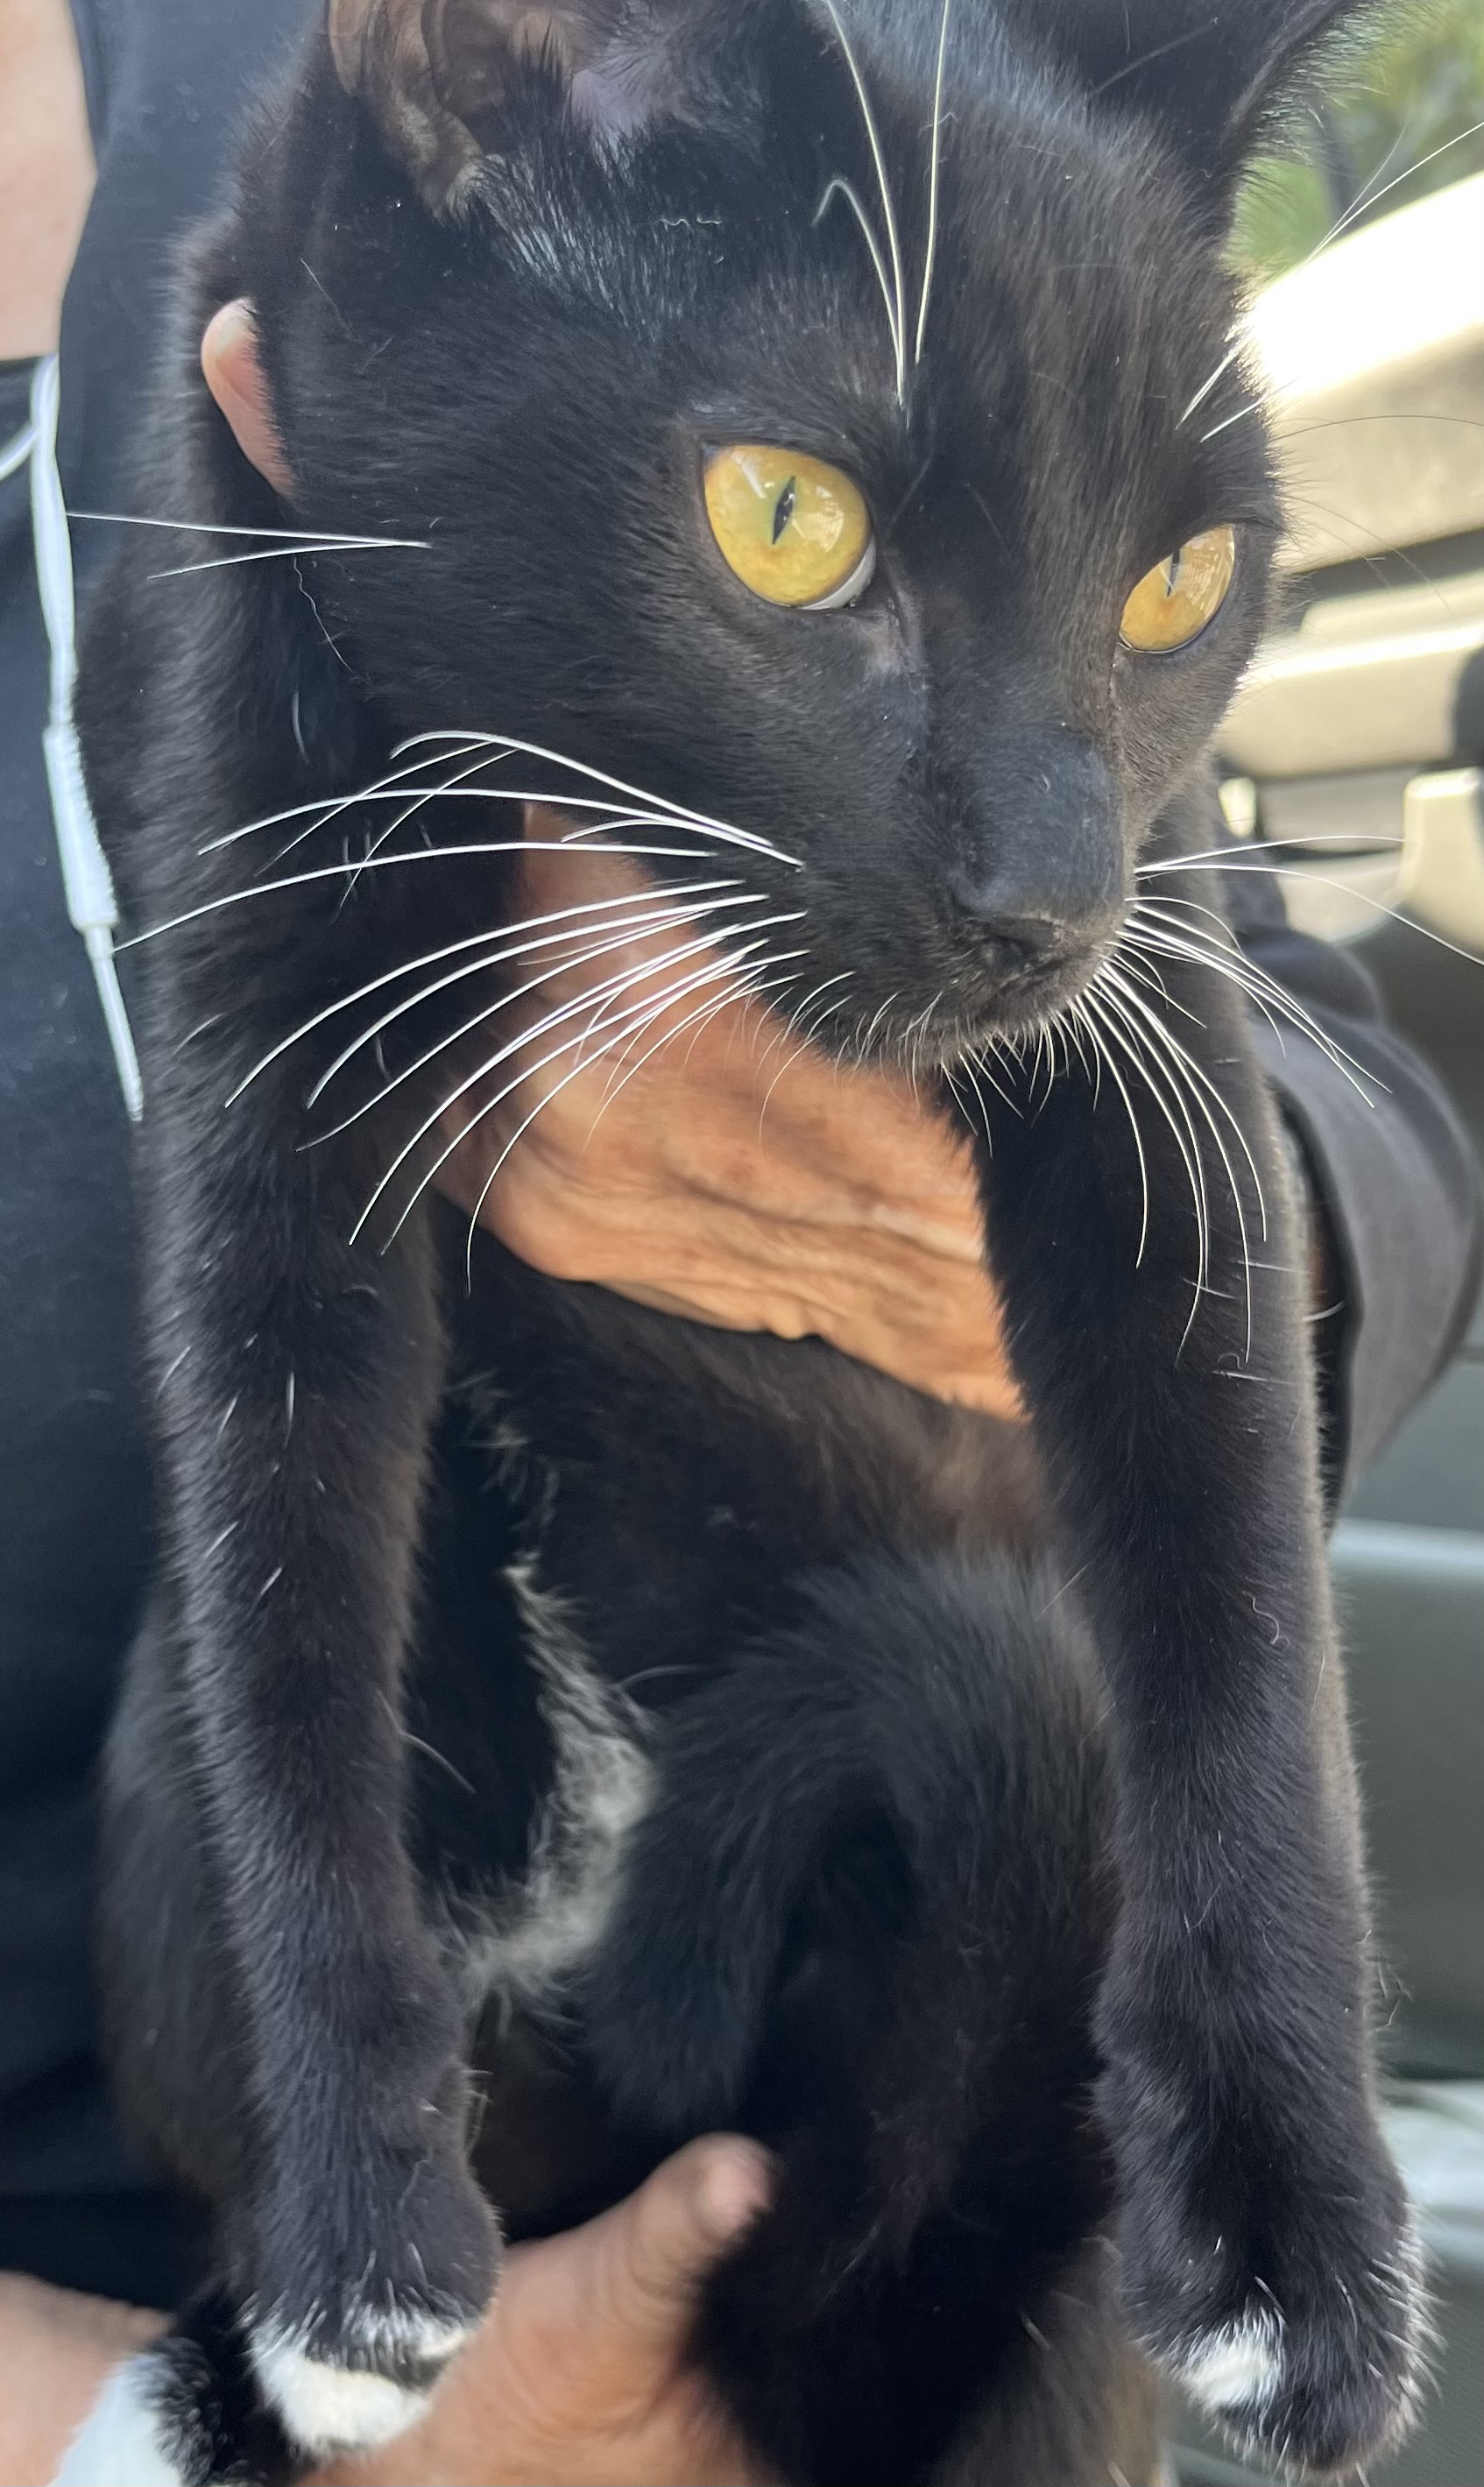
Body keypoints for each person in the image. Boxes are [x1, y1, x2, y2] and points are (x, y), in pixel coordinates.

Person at [1, 0, 1479, 2480]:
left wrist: (1008, 1235)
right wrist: (148, 2436)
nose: (1051, 873)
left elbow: (1325, 1072)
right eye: (801, 540)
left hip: (944, 2188)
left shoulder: (750, 132)